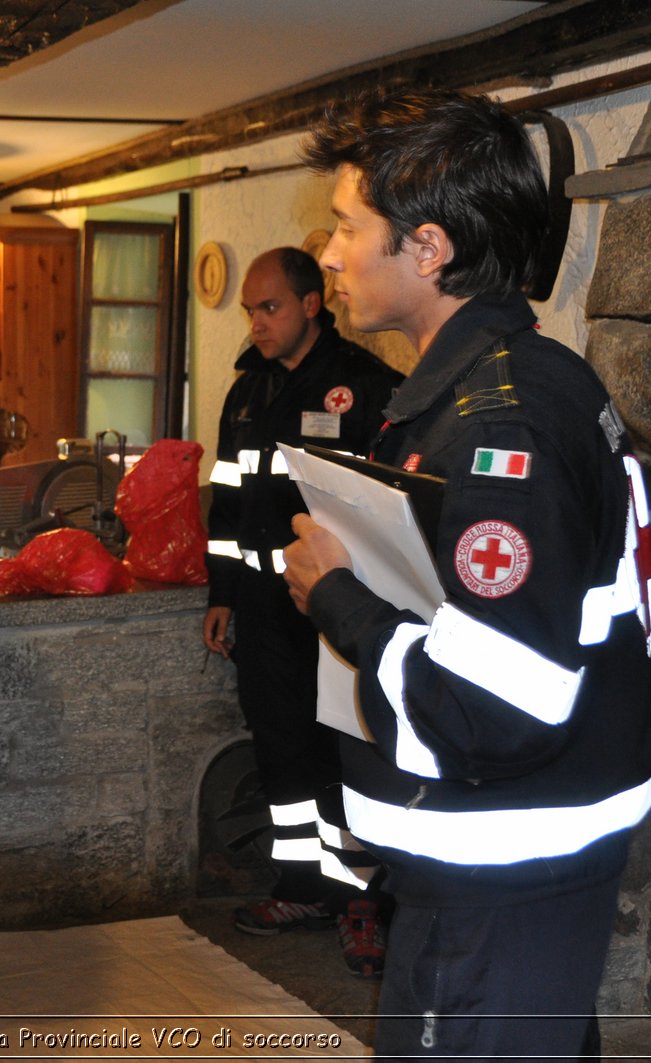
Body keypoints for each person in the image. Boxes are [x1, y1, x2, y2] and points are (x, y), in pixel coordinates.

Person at [285, 86, 651, 1058]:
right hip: (513, 867)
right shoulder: (513, 379)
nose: (329, 257)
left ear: (427, 250)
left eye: (345, 229)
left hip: (500, 876)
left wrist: (335, 596)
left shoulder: (501, 423)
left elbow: (493, 706)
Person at [203, 248, 400, 977]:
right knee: (281, 750)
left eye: (269, 307)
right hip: (260, 604)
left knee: (344, 752)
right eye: (250, 310)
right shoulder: (246, 392)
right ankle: (303, 889)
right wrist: (221, 592)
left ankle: (362, 904)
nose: (255, 322)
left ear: (312, 304)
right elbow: (225, 502)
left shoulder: (368, 388)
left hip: (336, 607)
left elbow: (386, 510)